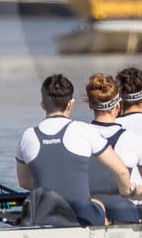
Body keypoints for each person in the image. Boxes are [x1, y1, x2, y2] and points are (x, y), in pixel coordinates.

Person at [15, 73, 135, 226]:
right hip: (83, 216)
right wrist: (126, 191)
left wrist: (55, 189)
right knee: (98, 204)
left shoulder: (28, 136)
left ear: (43, 105)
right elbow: (122, 172)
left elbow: (24, 182)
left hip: (44, 215)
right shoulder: (84, 130)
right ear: (70, 104)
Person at [85, 72, 142, 220]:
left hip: (88, 212)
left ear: (90, 105)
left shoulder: (78, 133)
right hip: (121, 212)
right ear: (118, 105)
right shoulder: (132, 139)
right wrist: (139, 194)